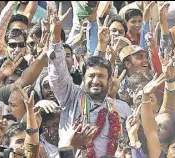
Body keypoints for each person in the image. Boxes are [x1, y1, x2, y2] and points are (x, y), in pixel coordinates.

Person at [47, 16, 132, 157]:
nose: (95, 80)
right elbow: (58, 73)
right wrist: (56, 39)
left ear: (109, 80)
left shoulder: (121, 109)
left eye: (101, 76)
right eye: (91, 76)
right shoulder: (71, 97)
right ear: (83, 78)